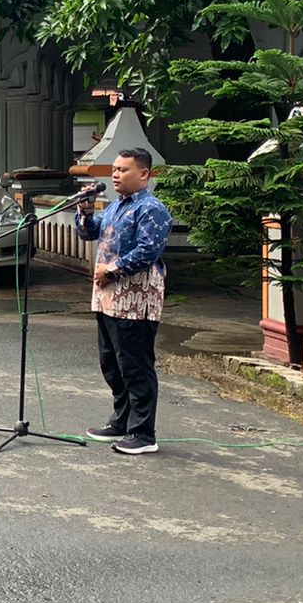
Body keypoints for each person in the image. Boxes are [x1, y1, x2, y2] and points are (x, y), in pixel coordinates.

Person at [75, 148, 173, 456]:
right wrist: (86, 211)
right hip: (108, 298)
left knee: (135, 365)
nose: (115, 174)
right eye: (114, 169)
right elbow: (89, 232)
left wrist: (112, 270)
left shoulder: (151, 209)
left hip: (136, 299)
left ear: (143, 174)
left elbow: (148, 251)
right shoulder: (117, 207)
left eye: (123, 169)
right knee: (112, 363)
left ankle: (143, 433)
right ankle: (121, 421)